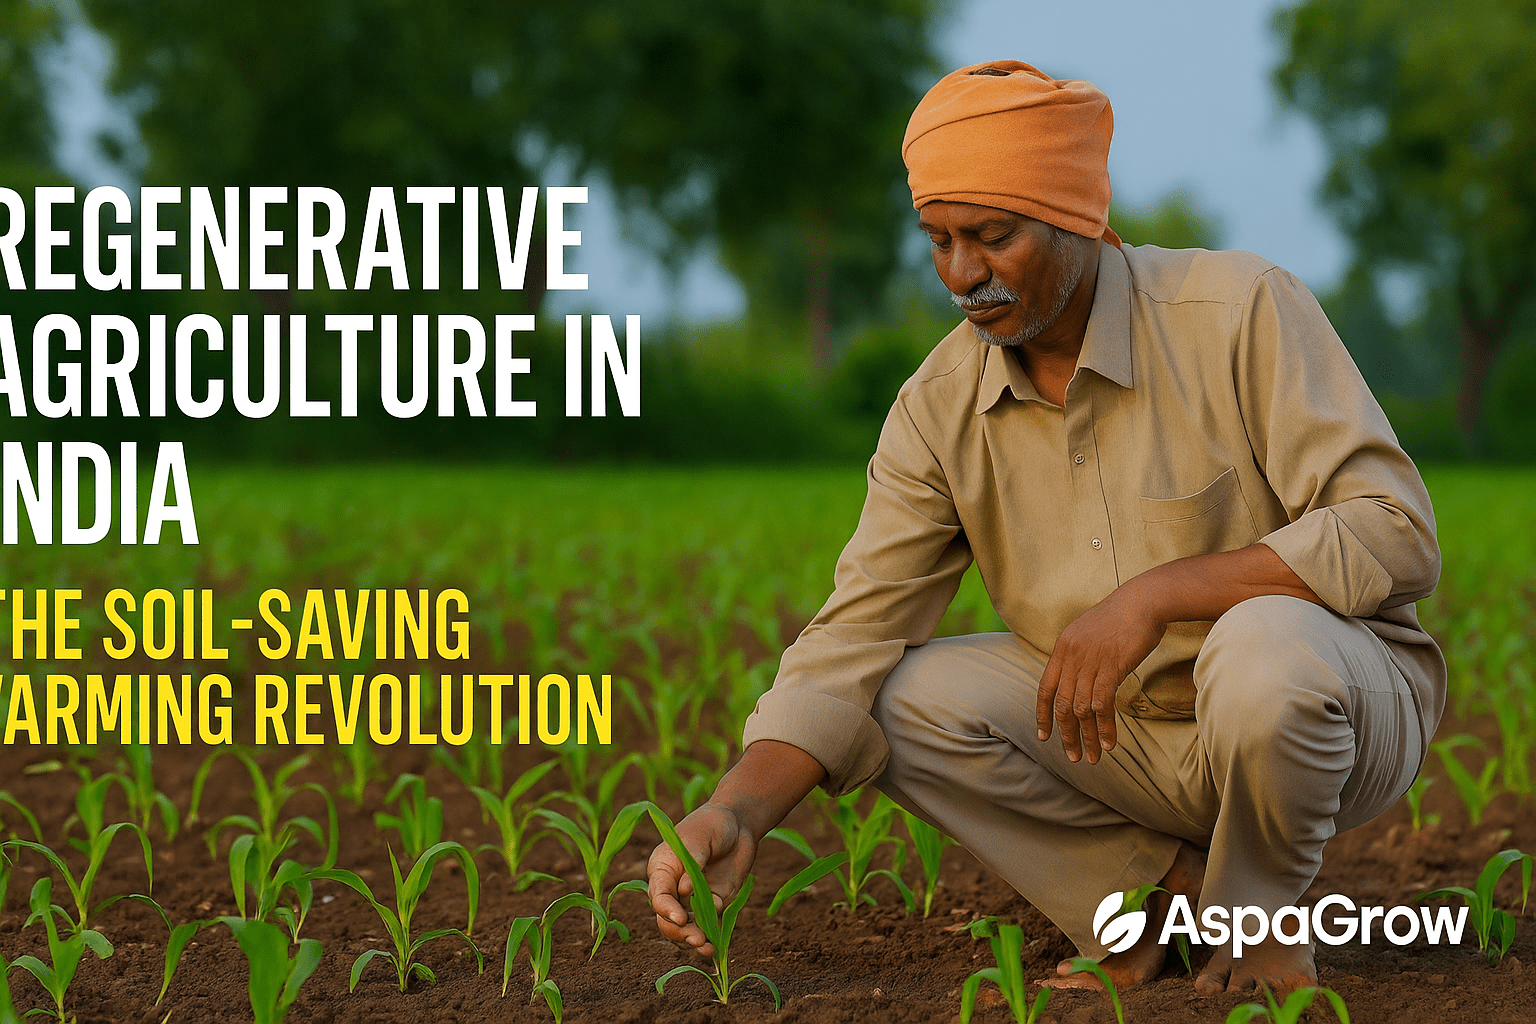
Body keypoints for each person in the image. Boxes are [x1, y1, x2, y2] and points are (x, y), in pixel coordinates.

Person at [646, 60, 1444, 997]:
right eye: (937, 239)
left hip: (1332, 712)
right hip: (1130, 741)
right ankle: (1154, 900)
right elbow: (852, 636)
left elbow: (1395, 531)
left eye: (992, 236)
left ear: (1076, 216)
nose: (962, 274)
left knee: (1261, 646)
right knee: (895, 697)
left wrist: (1159, 595)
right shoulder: (938, 409)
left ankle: (1257, 918)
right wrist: (736, 812)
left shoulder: (1238, 313)